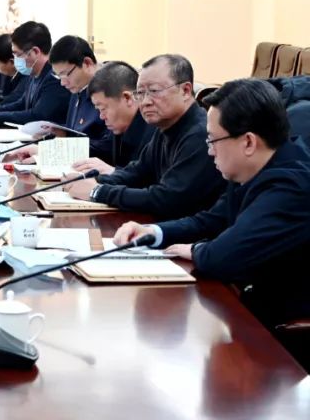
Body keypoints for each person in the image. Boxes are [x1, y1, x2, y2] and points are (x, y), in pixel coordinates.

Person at [114, 78, 310, 326]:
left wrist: (195, 250)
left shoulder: (293, 185)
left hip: (283, 329)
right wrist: (154, 232)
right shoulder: (251, 168)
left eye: (213, 140)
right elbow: (210, 221)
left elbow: (224, 256)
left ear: (248, 142)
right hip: (248, 304)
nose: (210, 151)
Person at [64, 54, 225, 220]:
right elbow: (136, 173)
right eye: (140, 93)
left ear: (185, 91)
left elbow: (168, 199)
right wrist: (89, 179)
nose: (145, 101)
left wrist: (97, 191)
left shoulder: (200, 134)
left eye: (154, 91)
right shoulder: (165, 127)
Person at [3, 36, 112, 164]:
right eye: (59, 76)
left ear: (87, 63)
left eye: (65, 74)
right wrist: (59, 134)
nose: (63, 83)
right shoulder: (78, 87)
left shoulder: (109, 89)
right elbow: (77, 132)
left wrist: (48, 152)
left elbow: (106, 148)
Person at [71, 61, 156, 175]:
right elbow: (103, 150)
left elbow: (152, 181)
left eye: (103, 108)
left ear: (127, 98)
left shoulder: (155, 133)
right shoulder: (120, 127)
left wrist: (113, 172)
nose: (101, 116)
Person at [0, 21, 70, 125]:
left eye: (18, 54)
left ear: (35, 51)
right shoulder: (33, 74)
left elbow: (38, 115)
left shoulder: (54, 78)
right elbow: (21, 104)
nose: (15, 60)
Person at [0, 33, 27, 104]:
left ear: (12, 62)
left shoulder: (27, 77)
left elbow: (13, 100)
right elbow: (2, 96)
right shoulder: (9, 75)